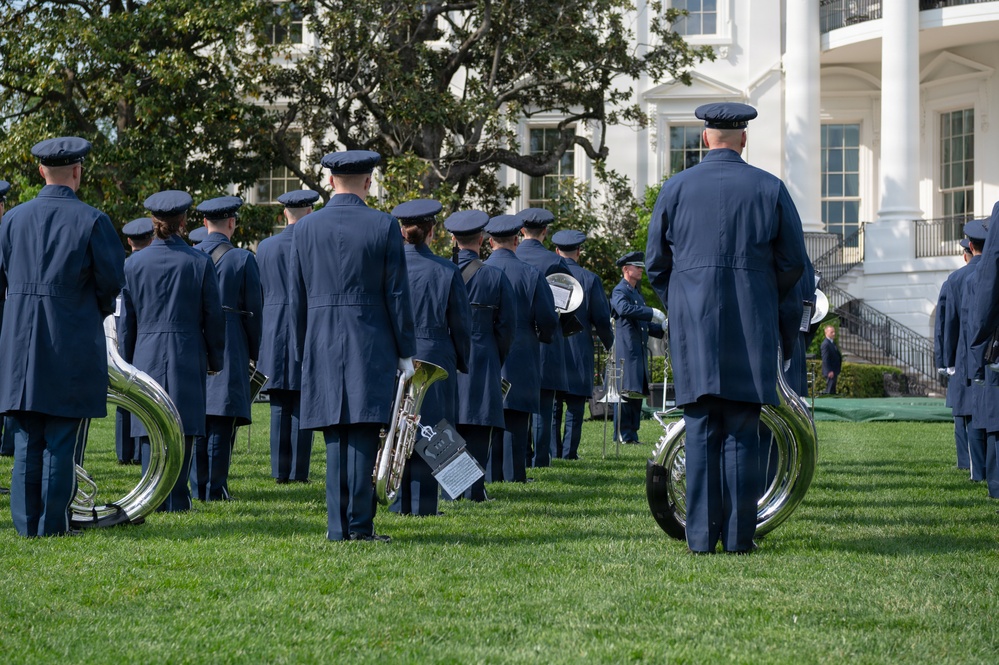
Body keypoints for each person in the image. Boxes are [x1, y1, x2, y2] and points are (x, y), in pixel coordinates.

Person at [645, 102, 807, 555]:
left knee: (699, 431)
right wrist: (760, 297)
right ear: (744, 138)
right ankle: (738, 537)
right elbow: (793, 263)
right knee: (741, 431)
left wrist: (682, 303)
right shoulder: (769, 188)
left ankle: (699, 537)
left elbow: (657, 265)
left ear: (704, 138)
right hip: (749, 327)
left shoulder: (675, 188)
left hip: (694, 327)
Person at [0, 137, 126, 537]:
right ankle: (51, 525)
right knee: (59, 436)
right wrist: (90, 312)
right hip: (69, 336)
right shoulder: (93, 220)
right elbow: (111, 284)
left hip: (20, 340)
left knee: (26, 435)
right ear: (78, 171)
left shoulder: (12, 219)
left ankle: (25, 525)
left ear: (41, 172)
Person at [290, 150, 416, 542]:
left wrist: (300, 348)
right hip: (370, 339)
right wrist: (406, 351)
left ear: (330, 182)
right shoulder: (383, 225)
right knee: (362, 432)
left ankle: (336, 527)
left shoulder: (305, 229)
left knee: (334, 435)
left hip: (322, 340)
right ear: (368, 182)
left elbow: (296, 297)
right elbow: (398, 295)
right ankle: (359, 526)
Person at [119, 191, 226, 511]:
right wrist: (214, 359)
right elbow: (213, 316)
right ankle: (178, 496)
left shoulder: (134, 263)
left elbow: (128, 321)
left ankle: (152, 493)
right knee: (184, 424)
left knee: (152, 422)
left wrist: (127, 361)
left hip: (147, 352)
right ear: (183, 222)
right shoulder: (200, 261)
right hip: (186, 349)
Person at [389, 199, 471, 516]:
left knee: (398, 427)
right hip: (436, 352)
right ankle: (425, 504)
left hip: (396, 353)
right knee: (432, 430)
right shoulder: (448, 270)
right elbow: (461, 325)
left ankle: (398, 500)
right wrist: (462, 360)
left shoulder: (387, 268)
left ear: (400, 231)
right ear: (432, 232)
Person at [191, 196, 263, 501]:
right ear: (231, 223)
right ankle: (215, 488)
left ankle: (197, 485)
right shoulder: (243, 259)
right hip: (231, 336)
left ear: (206, 224)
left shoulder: (190, 255)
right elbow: (255, 311)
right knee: (222, 417)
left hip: (195, 336)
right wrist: (255, 350)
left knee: (199, 415)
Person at [442, 210, 516, 501]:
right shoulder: (494, 276)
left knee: (448, 424)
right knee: (478, 422)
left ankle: (450, 489)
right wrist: (494, 355)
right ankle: (474, 489)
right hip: (483, 354)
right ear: (483, 239)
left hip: (447, 355)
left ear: (452, 239)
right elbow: (507, 327)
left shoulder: (440, 269)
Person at [483, 214, 558, 483]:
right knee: (517, 417)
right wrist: (541, 337)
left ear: (490, 242)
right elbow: (548, 319)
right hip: (522, 349)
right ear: (516, 239)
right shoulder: (531, 274)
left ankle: (491, 474)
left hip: (486, 348)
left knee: (489, 413)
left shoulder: (478, 270)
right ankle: (515, 474)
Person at [257, 189, 320, 485]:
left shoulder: (265, 247)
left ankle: (280, 470)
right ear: (309, 213)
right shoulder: (314, 244)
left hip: (272, 329)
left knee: (279, 404)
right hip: (304, 326)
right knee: (302, 402)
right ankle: (298, 470)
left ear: (285, 214)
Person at [551, 229, 614, 459]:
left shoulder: (550, 276)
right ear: (579, 251)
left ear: (557, 251)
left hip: (553, 348)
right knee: (576, 407)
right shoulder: (590, 279)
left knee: (554, 405)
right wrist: (610, 344)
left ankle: (553, 452)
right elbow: (602, 321)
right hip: (579, 349)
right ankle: (569, 453)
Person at [515, 208, 570, 466]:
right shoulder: (554, 262)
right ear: (545, 233)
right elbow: (563, 305)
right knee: (544, 407)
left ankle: (523, 455)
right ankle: (540, 458)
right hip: (545, 341)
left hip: (516, 340)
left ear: (521, 231)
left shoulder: (512, 256)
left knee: (517, 404)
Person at [609, 251, 664, 444]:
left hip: (637, 350)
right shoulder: (619, 291)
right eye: (636, 266)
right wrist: (651, 312)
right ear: (626, 269)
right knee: (625, 393)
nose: (640, 269)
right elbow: (624, 310)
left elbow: (644, 325)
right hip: (627, 350)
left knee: (636, 394)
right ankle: (622, 434)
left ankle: (632, 433)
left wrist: (662, 329)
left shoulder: (636, 294)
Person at [115, 217, 155, 466]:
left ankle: (124, 450)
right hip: (146, 335)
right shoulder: (149, 265)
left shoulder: (124, 267)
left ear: (129, 241)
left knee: (123, 394)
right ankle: (140, 450)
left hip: (122, 332)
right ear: (151, 239)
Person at [935, 237, 975, 471]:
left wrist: (945, 361)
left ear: (966, 252)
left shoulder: (955, 280)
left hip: (961, 356)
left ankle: (966, 463)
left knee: (962, 412)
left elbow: (945, 325)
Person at [820, 326, 842, 395]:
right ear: (826, 333)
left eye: (834, 332)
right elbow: (825, 359)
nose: (834, 334)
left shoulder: (832, 343)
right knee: (829, 389)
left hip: (834, 370)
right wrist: (829, 371)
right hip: (830, 372)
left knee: (833, 390)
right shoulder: (826, 344)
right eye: (831, 332)